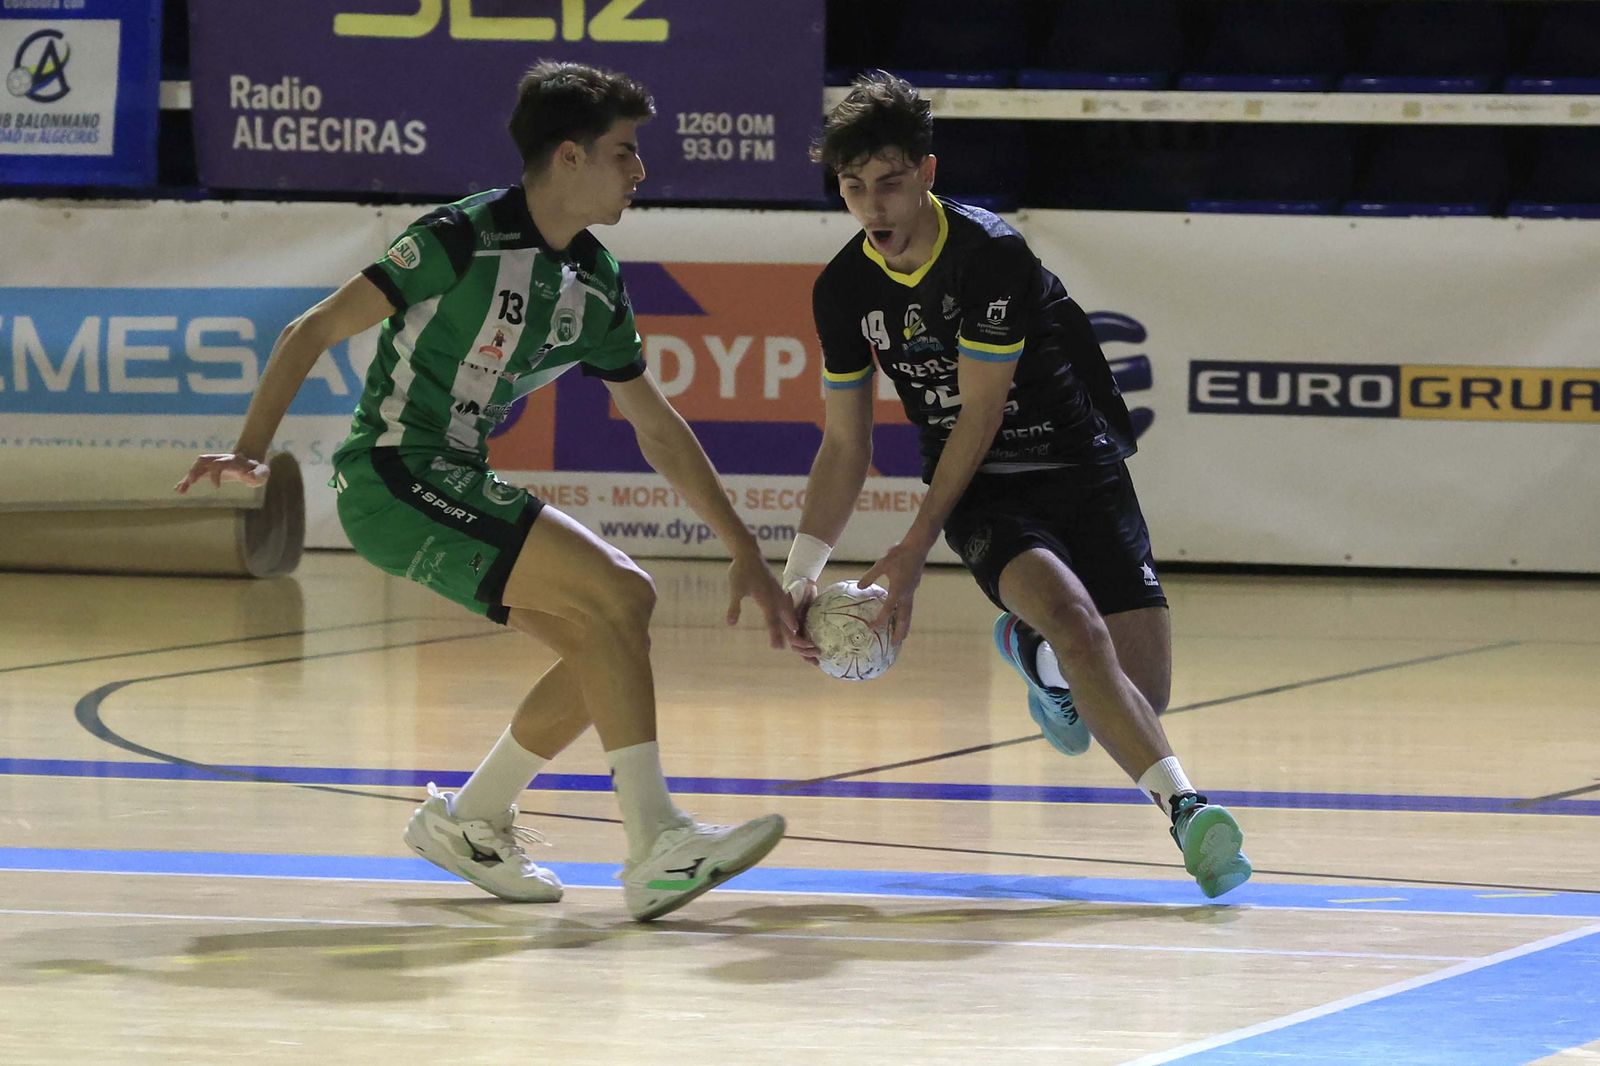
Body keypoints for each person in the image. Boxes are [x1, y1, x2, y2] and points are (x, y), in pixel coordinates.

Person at [176, 61, 795, 922]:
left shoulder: (596, 281)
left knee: (607, 640)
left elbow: (656, 426)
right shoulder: (460, 238)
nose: (640, 170)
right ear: (570, 157)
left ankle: (470, 819)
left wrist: (743, 547)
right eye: (625, 151)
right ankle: (658, 844)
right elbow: (311, 329)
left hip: (452, 476)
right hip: (395, 473)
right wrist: (250, 452)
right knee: (624, 593)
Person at [782, 72, 1250, 898]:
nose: (873, 207)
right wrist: (799, 575)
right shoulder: (843, 289)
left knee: (1140, 694)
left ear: (927, 173)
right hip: (982, 490)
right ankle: (1189, 811)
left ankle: (1034, 656)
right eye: (853, 187)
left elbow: (983, 409)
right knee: (1077, 622)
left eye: (889, 183)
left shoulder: (989, 253)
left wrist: (910, 550)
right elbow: (847, 442)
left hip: (1079, 465)